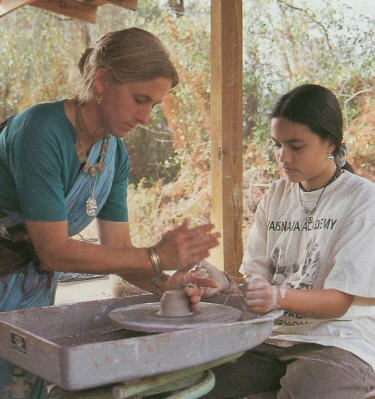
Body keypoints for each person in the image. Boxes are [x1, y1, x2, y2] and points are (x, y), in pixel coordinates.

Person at [0, 27, 219, 398]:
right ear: (102, 81)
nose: (146, 117)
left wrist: (163, 285)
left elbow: (116, 248)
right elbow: (53, 252)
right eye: (140, 99)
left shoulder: (113, 154)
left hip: (29, 294)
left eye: (154, 105)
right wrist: (156, 256)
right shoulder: (41, 131)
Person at [187, 84, 375, 398]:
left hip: (339, 340)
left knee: (307, 388)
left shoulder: (362, 199)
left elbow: (338, 302)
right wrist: (225, 285)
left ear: (329, 141)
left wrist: (275, 295)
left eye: (296, 146)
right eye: (277, 145)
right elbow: (258, 283)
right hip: (273, 337)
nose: (283, 157)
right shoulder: (276, 195)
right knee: (199, 382)